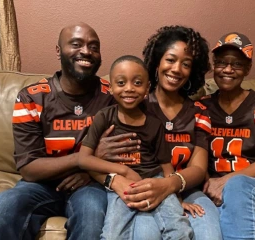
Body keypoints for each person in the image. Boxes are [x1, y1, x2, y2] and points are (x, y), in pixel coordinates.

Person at [0, 22, 137, 240]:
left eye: (93, 46)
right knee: (4, 205)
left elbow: (121, 153)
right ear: (58, 50)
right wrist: (85, 159)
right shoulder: (31, 97)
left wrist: (87, 171)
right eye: (76, 44)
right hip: (40, 186)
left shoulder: (112, 97)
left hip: (90, 183)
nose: (86, 51)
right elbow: (29, 169)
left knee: (92, 214)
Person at [95, 26, 222, 240]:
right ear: (157, 62)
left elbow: (199, 169)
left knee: (210, 235)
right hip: (144, 187)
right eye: (170, 60)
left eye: (186, 64)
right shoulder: (134, 105)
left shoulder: (199, 112)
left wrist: (168, 186)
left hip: (188, 190)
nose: (176, 69)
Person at [78, 55, 194, 240]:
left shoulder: (155, 125)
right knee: (112, 235)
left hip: (153, 182)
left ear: (147, 88)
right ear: (111, 87)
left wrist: (176, 197)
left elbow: (166, 167)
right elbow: (83, 159)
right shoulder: (104, 117)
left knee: (180, 229)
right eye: (121, 82)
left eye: (137, 83)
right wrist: (122, 170)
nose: (129, 89)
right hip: (120, 185)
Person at [201, 32, 255, 240]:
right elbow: (195, 155)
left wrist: (227, 181)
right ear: (214, 66)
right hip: (216, 190)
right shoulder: (202, 107)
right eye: (221, 63)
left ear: (247, 69)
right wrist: (209, 183)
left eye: (237, 64)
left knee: (238, 185)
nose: (228, 69)